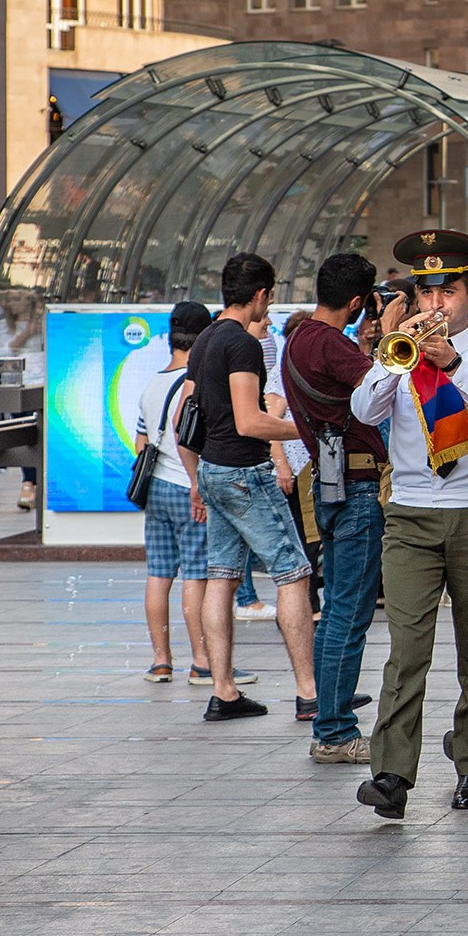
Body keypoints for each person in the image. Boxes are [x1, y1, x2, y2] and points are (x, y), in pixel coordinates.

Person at [352, 231, 468, 818]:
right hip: (411, 515)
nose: (435, 305)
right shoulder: (400, 355)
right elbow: (363, 410)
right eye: (426, 293)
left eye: (447, 292)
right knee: (407, 650)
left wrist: (453, 364)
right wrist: (390, 357)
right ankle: (391, 773)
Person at [182, 253, 316, 725]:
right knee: (294, 574)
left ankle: (224, 691)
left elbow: (184, 418)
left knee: (221, 576)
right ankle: (310, 693)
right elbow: (249, 421)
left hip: (213, 470)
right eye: (270, 297)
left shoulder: (205, 339)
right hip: (244, 471)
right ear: (260, 294)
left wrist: (197, 478)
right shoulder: (242, 343)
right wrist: (306, 429)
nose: (269, 305)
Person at [279, 253, 387, 764]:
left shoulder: (298, 338)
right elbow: (383, 386)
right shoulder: (330, 343)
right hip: (357, 486)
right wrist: (390, 330)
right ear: (358, 301)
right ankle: (336, 731)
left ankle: (329, 722)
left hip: (329, 484)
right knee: (349, 612)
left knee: (336, 612)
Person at [134, 302, 215, 684]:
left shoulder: (152, 384)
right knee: (195, 575)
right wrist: (198, 483)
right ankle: (202, 660)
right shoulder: (195, 383)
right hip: (188, 487)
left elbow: (140, 442)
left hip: (156, 489)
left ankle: (161, 661)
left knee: (159, 573)